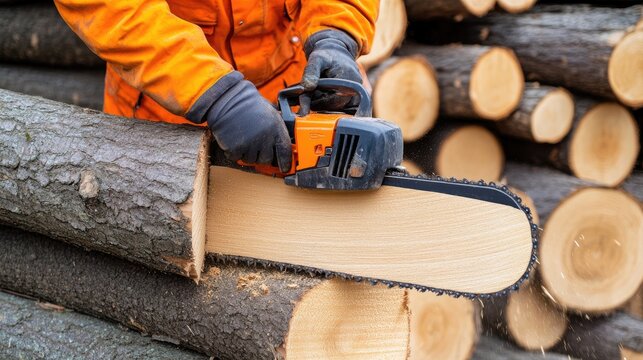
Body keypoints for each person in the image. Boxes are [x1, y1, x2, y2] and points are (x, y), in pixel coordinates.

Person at [54, 0, 378, 172]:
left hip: (286, 87)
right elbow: (110, 7)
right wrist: (214, 94)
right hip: (168, 105)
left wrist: (335, 33)